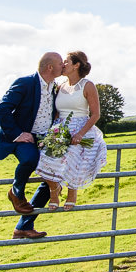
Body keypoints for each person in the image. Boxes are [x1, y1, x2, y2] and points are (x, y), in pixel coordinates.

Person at [0, 51, 62, 239]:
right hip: (23, 137)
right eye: (61, 63)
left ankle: (24, 226)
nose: (64, 65)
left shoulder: (55, 87)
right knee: (30, 158)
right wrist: (18, 134)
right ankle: (16, 192)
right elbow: (1, 109)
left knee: (53, 178)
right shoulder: (25, 82)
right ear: (50, 67)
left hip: (44, 138)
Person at [36, 50, 109, 210]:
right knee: (41, 157)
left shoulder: (87, 85)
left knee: (73, 153)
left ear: (76, 65)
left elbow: (95, 114)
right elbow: (55, 112)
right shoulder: (59, 86)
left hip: (81, 127)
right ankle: (54, 189)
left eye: (67, 62)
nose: (63, 64)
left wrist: (81, 133)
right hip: (59, 128)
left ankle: (72, 192)